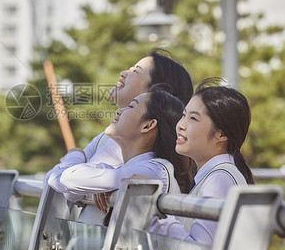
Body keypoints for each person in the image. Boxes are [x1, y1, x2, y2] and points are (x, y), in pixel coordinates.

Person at [45, 50, 194, 223]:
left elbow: (64, 182)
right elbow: (62, 181)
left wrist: (76, 156)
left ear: (158, 92)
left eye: (135, 71)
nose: (124, 73)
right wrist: (99, 177)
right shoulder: (112, 137)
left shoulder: (133, 149)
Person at [150, 78, 254, 245]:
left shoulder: (219, 179)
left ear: (221, 134)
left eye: (193, 119)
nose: (181, 125)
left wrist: (158, 214)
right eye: (184, 115)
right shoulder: (216, 175)